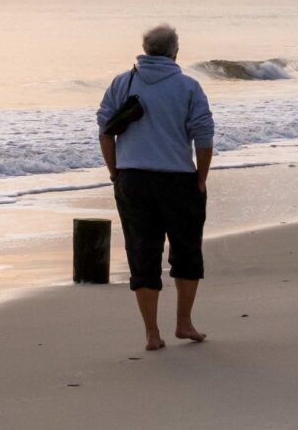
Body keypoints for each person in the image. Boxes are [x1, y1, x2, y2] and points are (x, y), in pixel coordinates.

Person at [95, 23, 216, 352]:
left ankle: (152, 333)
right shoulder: (188, 87)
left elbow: (105, 130)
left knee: (142, 253)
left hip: (132, 178)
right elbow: (203, 137)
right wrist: (201, 178)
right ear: (175, 50)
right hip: (177, 179)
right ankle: (184, 323)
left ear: (144, 49)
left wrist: (115, 172)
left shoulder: (123, 82)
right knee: (186, 251)